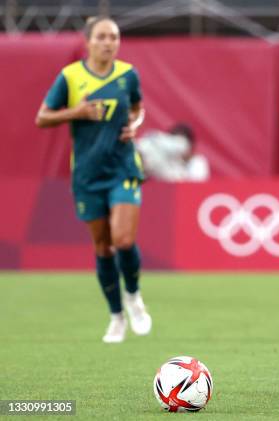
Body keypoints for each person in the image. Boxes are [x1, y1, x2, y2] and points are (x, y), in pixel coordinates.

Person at [35, 16, 153, 343]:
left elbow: (138, 107)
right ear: (88, 41)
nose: (108, 43)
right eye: (101, 37)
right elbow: (42, 117)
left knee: (124, 240)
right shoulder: (70, 77)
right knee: (103, 248)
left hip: (123, 167)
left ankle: (133, 296)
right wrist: (76, 112)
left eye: (113, 37)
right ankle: (116, 317)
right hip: (87, 174)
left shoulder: (128, 74)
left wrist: (135, 123)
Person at [136, 123, 210, 182]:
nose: (178, 149)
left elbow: (195, 187)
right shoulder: (165, 161)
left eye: (181, 143)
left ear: (190, 145)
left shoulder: (198, 162)